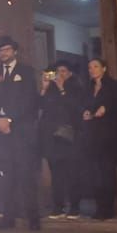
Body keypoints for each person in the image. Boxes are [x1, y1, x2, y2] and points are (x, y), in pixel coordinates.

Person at [0, 36, 40, 229]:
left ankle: (33, 218)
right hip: (0, 133)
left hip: (21, 131)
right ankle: (8, 216)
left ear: (14, 51)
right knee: (5, 176)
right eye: (1, 50)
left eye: (7, 49)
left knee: (26, 174)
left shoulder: (26, 72)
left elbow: (29, 100)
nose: (4, 53)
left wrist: (10, 119)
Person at [80, 58, 117, 219]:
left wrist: (107, 108)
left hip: (108, 136)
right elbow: (83, 105)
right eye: (89, 67)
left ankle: (108, 207)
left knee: (107, 173)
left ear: (104, 68)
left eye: (95, 66)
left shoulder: (114, 85)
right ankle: (99, 206)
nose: (92, 70)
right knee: (95, 173)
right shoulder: (88, 88)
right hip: (91, 136)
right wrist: (85, 111)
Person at [40, 58, 85, 219]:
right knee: (56, 174)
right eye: (58, 72)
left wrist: (61, 88)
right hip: (53, 138)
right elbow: (41, 107)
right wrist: (44, 88)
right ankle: (57, 206)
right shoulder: (50, 89)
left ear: (70, 73)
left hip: (71, 137)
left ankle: (74, 207)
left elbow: (75, 108)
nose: (60, 75)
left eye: (64, 71)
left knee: (73, 173)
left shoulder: (76, 88)